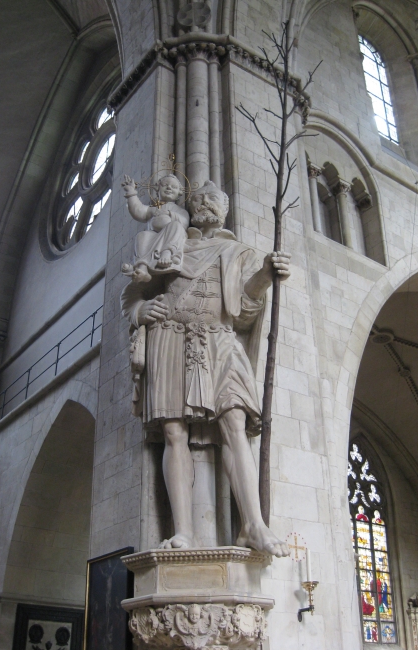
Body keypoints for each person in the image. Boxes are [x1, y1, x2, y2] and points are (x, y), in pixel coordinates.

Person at [121, 180, 291, 557]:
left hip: (219, 339)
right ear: (188, 205)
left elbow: (245, 310)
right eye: (197, 198)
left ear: (226, 207)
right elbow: (132, 292)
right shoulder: (166, 239)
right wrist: (140, 311)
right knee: (173, 430)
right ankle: (184, 532)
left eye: (212, 198)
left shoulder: (237, 252)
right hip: (169, 337)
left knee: (234, 421)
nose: (204, 203)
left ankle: (253, 525)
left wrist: (265, 274)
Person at [122, 174, 190, 282]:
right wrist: (131, 194)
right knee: (142, 235)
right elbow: (138, 210)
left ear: (179, 193)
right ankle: (142, 267)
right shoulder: (153, 209)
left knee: (176, 225)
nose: (169, 188)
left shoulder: (180, 211)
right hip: (154, 234)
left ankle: (167, 253)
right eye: (165, 185)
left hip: (171, 236)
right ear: (158, 189)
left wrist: (169, 214)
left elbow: (185, 223)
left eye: (174, 187)